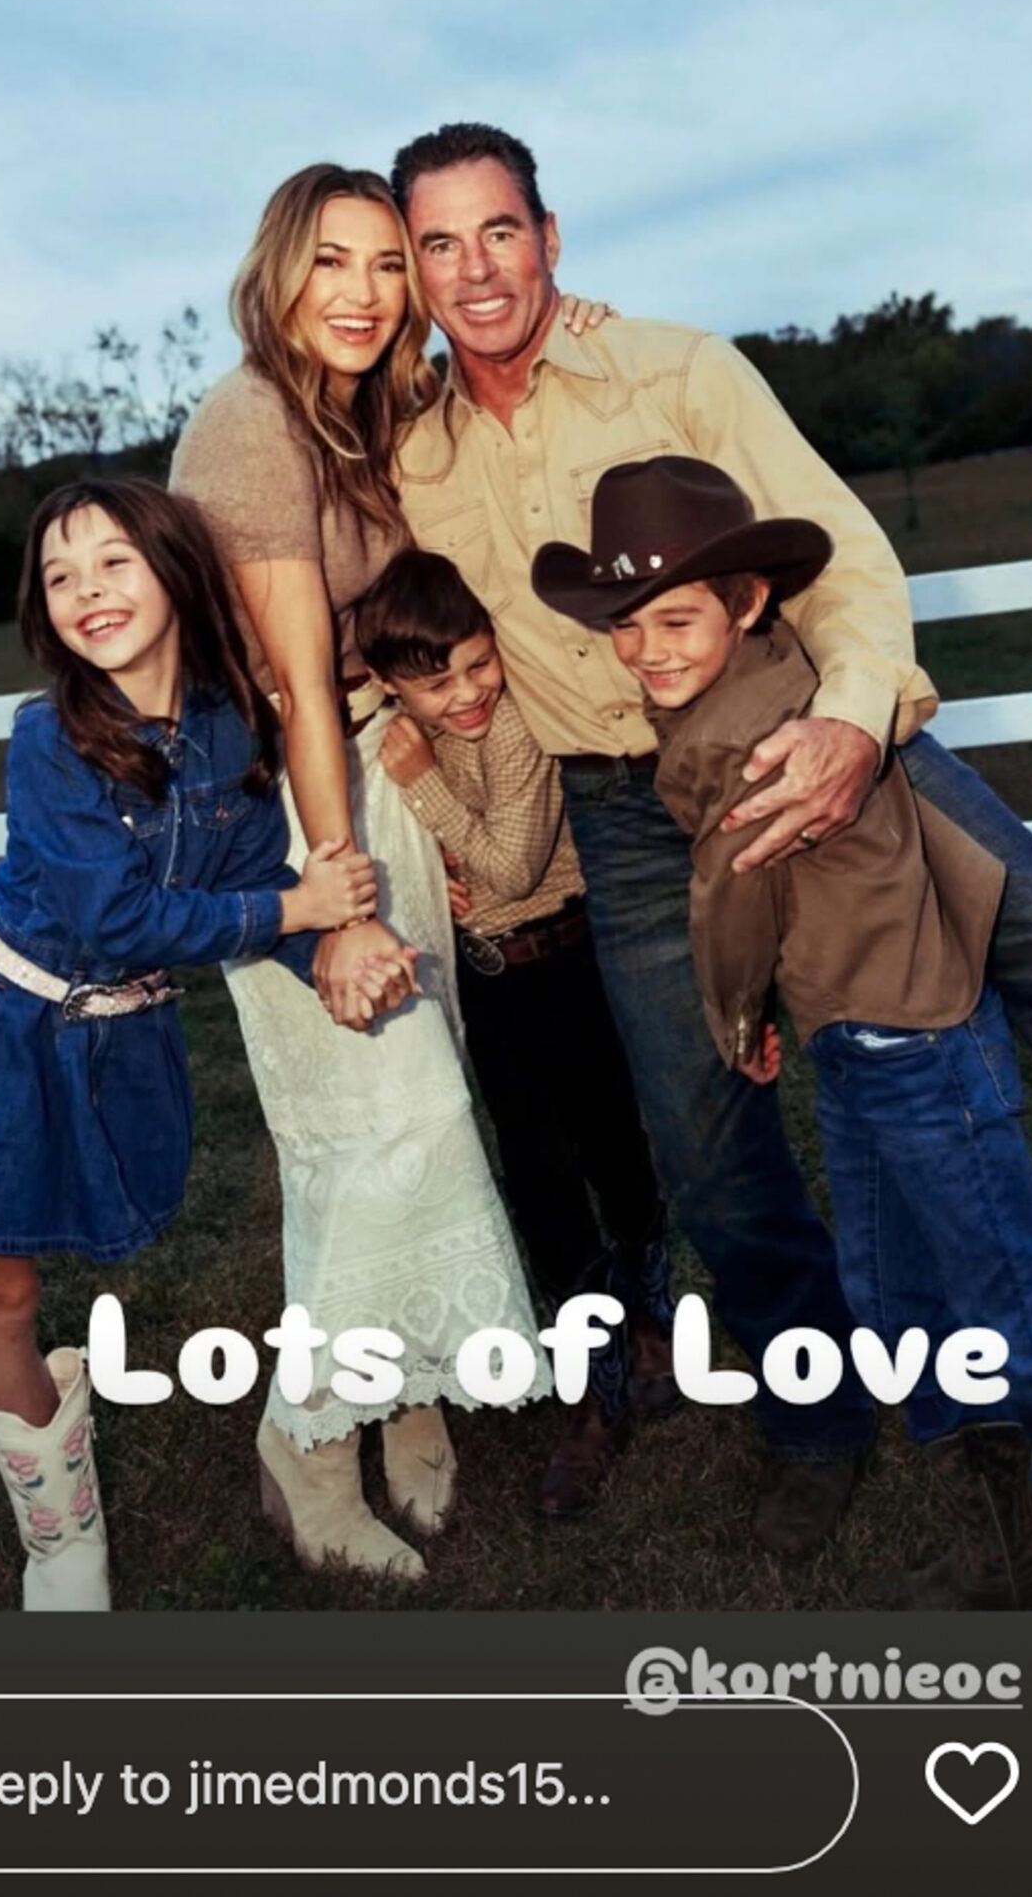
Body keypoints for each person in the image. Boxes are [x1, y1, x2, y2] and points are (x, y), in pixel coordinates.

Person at [390, 118, 1032, 1560]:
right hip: (635, 807)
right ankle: (820, 1414)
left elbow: (834, 550)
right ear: (414, 272)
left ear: (548, 236)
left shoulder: (673, 369)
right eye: (438, 243)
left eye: (498, 231)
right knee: (704, 1132)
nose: (474, 269)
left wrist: (854, 722)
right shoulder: (410, 457)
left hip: (806, 729)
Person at [533, 456, 1032, 1608]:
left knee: (1011, 1303)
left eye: (676, 619)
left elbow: (731, 899)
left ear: (747, 603)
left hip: (916, 1042)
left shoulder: (727, 736)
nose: (646, 650)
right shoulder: (779, 676)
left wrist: (736, 1017)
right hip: (860, 1037)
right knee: (903, 1297)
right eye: (627, 626)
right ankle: (1006, 1540)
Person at [0, 477, 376, 1612]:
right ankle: (62, 1544)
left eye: (113, 562)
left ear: (173, 570)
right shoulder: (49, 741)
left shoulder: (230, 727)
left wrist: (328, 947)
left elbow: (239, 880)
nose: (88, 591)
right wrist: (295, 915)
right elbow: (109, 921)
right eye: (61, 576)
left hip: (118, 1042)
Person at [170, 164, 553, 1585]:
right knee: (371, 1115)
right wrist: (334, 899)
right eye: (333, 261)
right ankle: (308, 1442)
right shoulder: (255, 421)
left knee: (417, 1100)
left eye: (389, 265)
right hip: (283, 816)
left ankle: (408, 1396)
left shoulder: (361, 419)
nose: (365, 293)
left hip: (368, 790)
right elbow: (291, 686)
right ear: (279, 270)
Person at [355, 545, 677, 1518]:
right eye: (434, 680)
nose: (466, 694)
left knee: (617, 1149)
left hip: (570, 961)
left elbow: (508, 858)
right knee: (538, 1181)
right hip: (494, 988)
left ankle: (653, 1330)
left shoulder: (512, 729)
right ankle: (591, 1386)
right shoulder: (392, 717)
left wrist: (428, 795)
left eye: (476, 663)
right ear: (387, 683)